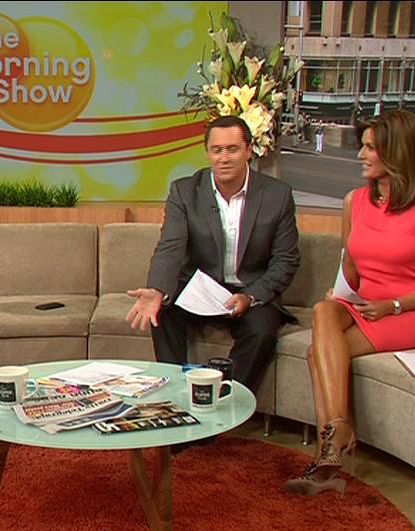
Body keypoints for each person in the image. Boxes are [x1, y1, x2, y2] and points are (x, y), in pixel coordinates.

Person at [283, 109, 415, 495]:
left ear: (398, 152)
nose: (360, 155)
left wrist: (394, 305)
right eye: (362, 147)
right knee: (324, 310)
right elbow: (351, 266)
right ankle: (338, 433)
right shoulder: (355, 201)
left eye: (370, 148)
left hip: (413, 311)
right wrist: (340, 293)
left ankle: (327, 455)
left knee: (317, 353)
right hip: (364, 303)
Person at [125, 115, 301, 397]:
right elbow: (170, 246)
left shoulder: (276, 195)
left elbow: (286, 261)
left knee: (262, 330)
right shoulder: (185, 191)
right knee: (163, 311)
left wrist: (250, 296)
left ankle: (225, 398)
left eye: (232, 149)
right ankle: (176, 393)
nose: (224, 158)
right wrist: (157, 289)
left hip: (250, 291)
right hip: (201, 289)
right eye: (217, 150)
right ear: (207, 153)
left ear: (249, 150)